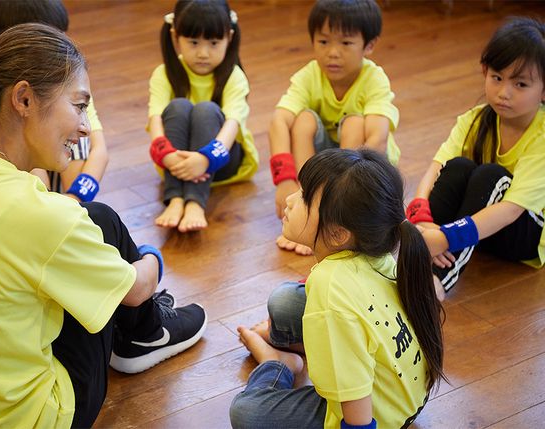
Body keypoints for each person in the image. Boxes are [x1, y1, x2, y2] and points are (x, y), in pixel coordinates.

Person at [0, 24, 206, 428]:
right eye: (79, 106)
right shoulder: (39, 215)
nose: (85, 126)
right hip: (27, 421)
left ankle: (138, 332)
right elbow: (137, 289)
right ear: (24, 99)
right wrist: (150, 255)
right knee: (102, 222)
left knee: (85, 225)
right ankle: (144, 336)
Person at [230, 149, 445, 428]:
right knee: (284, 301)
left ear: (338, 234)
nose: (290, 200)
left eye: (304, 198)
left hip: (378, 415)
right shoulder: (373, 246)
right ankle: (291, 347)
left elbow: (355, 398)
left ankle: (278, 364)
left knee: (247, 414)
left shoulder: (330, 287)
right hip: (406, 391)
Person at [408, 17, 545, 300]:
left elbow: (511, 211)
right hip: (479, 229)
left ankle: (438, 279)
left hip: (523, 237)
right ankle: (419, 254)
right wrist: (422, 219)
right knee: (458, 167)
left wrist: (443, 238)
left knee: (490, 175)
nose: (504, 93)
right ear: (485, 71)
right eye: (497, 78)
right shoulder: (475, 119)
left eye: (520, 84)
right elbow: (436, 168)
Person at [270, 0, 399, 255]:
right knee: (303, 120)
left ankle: (332, 211)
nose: (333, 53)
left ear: (369, 45)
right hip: (324, 164)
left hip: (360, 167)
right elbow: (278, 121)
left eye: (346, 43)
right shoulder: (310, 74)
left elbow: (377, 139)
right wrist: (284, 179)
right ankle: (307, 199)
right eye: (323, 41)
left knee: (355, 123)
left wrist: (343, 192)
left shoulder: (374, 79)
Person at [147, 0, 259, 232]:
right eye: (194, 42)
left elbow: (232, 125)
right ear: (175, 36)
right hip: (175, 163)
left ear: (229, 37)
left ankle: (195, 202)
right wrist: (166, 154)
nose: (203, 53)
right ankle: (176, 199)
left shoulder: (234, 77)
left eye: (214, 43)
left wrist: (206, 160)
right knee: (178, 107)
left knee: (206, 110)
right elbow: (155, 118)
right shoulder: (164, 73)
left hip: (222, 162)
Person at [0, 0, 109, 202]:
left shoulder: (72, 93)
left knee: (75, 130)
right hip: (27, 196)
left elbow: (100, 152)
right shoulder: (1, 93)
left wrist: (76, 197)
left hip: (57, 192)